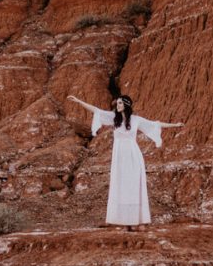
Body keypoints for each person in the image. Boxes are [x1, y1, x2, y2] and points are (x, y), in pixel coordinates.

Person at [67, 93, 184, 231]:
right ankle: (125, 222)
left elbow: (155, 124)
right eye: (117, 103)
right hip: (119, 158)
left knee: (133, 186)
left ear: (127, 105)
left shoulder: (136, 120)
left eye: (121, 103)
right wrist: (78, 101)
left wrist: (175, 125)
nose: (118, 105)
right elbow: (96, 110)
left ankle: (139, 221)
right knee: (121, 186)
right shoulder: (114, 118)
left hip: (133, 156)